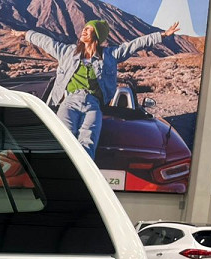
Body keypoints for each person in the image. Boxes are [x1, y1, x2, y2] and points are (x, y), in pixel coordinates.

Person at [10, 19, 180, 158]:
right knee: (64, 139)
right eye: (84, 28)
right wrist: (25, 34)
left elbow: (134, 45)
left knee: (88, 142)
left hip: (93, 105)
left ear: (97, 35)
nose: (83, 31)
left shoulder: (110, 55)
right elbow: (46, 41)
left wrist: (162, 35)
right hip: (69, 102)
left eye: (89, 29)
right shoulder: (67, 52)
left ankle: (83, 181)